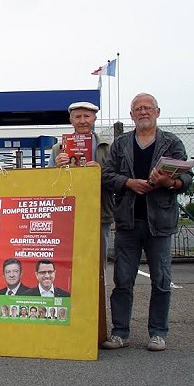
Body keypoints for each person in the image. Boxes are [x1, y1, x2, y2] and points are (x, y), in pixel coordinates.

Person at [101, 93, 192, 351]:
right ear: (131, 115)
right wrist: (128, 182)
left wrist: (169, 182)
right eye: (138, 108)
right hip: (128, 222)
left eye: (148, 108)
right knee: (122, 280)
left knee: (161, 281)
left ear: (157, 112)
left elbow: (187, 178)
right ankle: (120, 332)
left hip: (160, 222)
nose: (143, 112)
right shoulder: (120, 144)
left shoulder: (172, 143)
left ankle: (158, 333)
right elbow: (106, 175)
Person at [49, 101, 115, 276]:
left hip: (100, 212)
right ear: (71, 120)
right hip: (67, 214)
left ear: (94, 118)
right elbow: (49, 184)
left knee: (98, 261)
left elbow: (117, 180)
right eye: (78, 117)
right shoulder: (58, 149)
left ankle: (99, 292)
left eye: (87, 116)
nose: (83, 121)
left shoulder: (108, 148)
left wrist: (100, 172)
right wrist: (56, 168)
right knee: (69, 260)